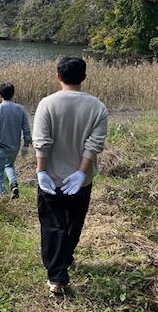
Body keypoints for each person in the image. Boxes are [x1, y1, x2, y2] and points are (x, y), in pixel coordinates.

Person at [33, 56, 107, 295]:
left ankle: (57, 276)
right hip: (81, 180)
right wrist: (80, 172)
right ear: (84, 77)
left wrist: (41, 171)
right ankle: (66, 259)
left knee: (53, 225)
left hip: (51, 178)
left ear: (58, 76)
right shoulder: (97, 106)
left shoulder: (47, 103)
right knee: (74, 221)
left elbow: (42, 142)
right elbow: (94, 145)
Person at [0, 82, 32, 199]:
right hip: (14, 146)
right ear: (12, 95)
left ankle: (2, 195)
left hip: (0, 146)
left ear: (0, 95)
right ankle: (13, 183)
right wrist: (26, 144)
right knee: (9, 165)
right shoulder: (20, 109)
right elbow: (26, 128)